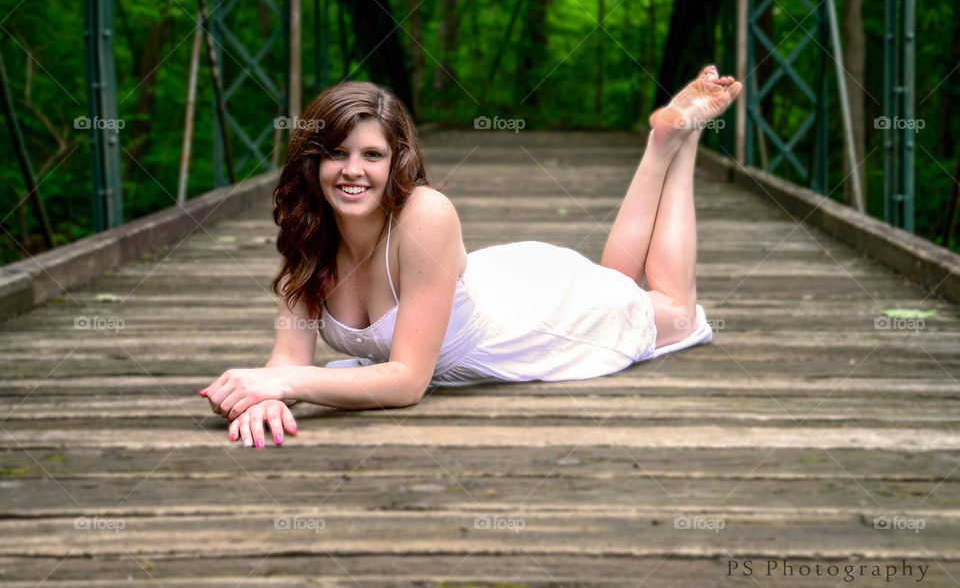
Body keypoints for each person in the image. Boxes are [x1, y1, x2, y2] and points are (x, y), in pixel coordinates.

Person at [199, 67, 742, 448]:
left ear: (398, 161)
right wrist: (264, 399)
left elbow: (408, 381)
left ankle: (679, 141)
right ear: (312, 162)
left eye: (372, 154)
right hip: (507, 284)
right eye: (336, 154)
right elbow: (287, 361)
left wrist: (288, 386)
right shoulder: (310, 234)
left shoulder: (425, 214)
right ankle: (665, 141)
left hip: (540, 322)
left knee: (671, 306)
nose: (352, 170)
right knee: (614, 279)